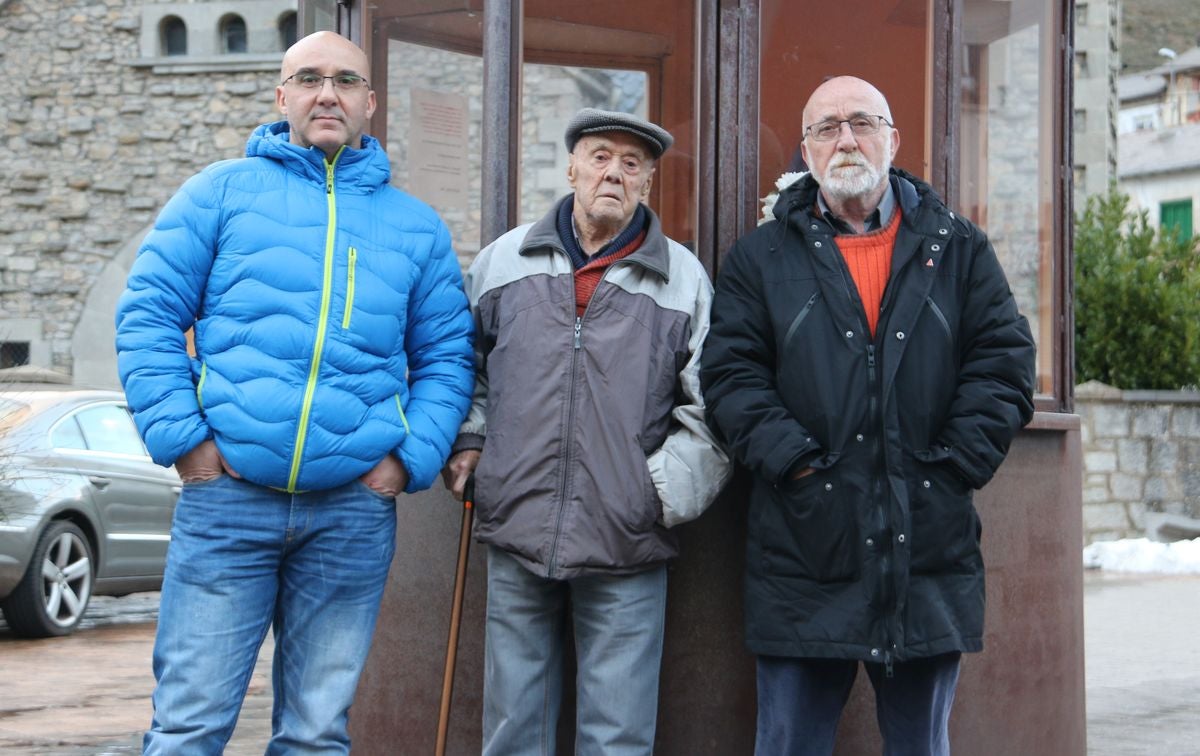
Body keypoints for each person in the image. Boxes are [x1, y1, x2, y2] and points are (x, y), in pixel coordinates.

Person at [114, 31, 474, 754]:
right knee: (188, 727)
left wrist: (402, 465)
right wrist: (189, 446)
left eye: (345, 81)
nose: (326, 93)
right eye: (308, 78)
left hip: (350, 516)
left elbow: (447, 357)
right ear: (283, 97)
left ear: (370, 102)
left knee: (314, 735)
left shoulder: (416, 229)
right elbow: (148, 313)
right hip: (228, 506)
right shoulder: (220, 193)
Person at [701, 76, 1036, 755]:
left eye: (861, 122)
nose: (846, 139)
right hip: (803, 550)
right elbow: (730, 377)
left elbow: (1002, 365)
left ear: (894, 139)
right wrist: (796, 467)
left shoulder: (959, 247)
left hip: (927, 547)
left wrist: (951, 470)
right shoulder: (759, 258)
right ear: (806, 149)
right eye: (826, 127)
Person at [440, 108, 731, 755]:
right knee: (514, 731)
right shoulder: (502, 263)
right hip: (518, 526)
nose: (614, 173)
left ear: (648, 183)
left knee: (618, 738)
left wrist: (654, 493)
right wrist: (469, 443)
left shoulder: (683, 279)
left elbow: (713, 408)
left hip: (626, 539)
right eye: (600, 156)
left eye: (632, 165)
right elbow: (466, 372)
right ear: (570, 166)